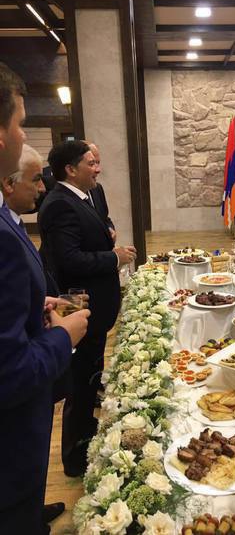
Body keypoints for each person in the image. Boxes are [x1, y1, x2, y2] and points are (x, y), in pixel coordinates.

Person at [0, 63, 89, 534]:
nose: (22, 133)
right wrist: (64, 336)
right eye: (19, 122)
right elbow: (8, 371)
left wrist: (36, 306)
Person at [38, 140, 137, 477]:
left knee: (90, 374)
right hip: (77, 306)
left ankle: (85, 434)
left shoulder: (80, 197)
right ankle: (74, 458)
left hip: (92, 309)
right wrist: (113, 258)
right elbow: (68, 260)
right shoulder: (59, 204)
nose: (98, 169)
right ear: (70, 169)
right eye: (91, 163)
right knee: (79, 384)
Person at [87, 142, 117, 244]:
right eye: (92, 164)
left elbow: (105, 218)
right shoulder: (63, 200)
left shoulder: (97, 188)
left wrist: (109, 228)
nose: (98, 169)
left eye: (98, 163)